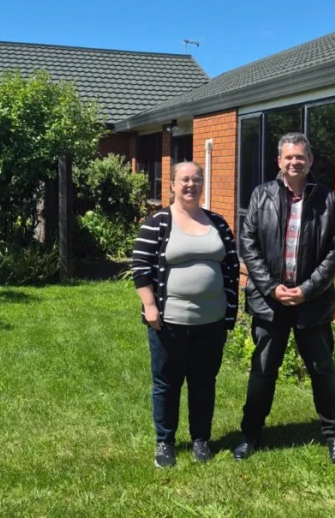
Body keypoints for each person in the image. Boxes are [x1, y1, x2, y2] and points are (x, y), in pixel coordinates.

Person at [234, 132, 335, 465]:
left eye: (300, 156)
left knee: (323, 371)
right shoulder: (261, 195)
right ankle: (250, 434)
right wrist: (272, 287)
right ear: (279, 161)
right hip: (269, 302)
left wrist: (307, 290)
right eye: (288, 157)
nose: (294, 162)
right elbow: (248, 245)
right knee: (262, 371)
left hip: (312, 303)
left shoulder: (328, 199)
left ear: (310, 160)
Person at [132, 161, 240, 468]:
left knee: (204, 382)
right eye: (184, 180)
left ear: (202, 184)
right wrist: (150, 306)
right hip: (169, 321)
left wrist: (230, 311)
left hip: (212, 321)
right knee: (167, 383)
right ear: (172, 185)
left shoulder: (217, 222)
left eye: (196, 179)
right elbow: (140, 266)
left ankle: (201, 440)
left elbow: (232, 267)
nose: (190, 185)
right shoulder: (158, 222)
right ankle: (165, 442)